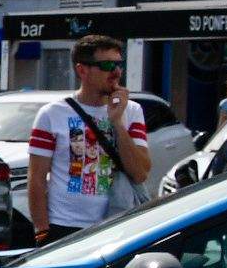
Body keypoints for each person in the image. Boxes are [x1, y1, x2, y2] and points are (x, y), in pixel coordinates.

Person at [25, 31, 150, 247]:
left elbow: (140, 173)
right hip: (64, 227)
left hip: (117, 224)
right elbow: (36, 178)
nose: (116, 72)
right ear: (82, 70)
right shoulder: (51, 114)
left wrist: (117, 122)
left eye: (119, 65)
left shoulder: (132, 111)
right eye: (107, 66)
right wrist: (42, 231)